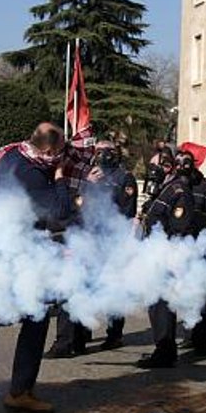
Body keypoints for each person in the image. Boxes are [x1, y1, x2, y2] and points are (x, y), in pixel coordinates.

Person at [0, 122, 74, 413]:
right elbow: (59, 213)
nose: (60, 157)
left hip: (11, 254)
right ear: (47, 150)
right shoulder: (31, 174)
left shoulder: (13, 154)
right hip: (6, 258)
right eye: (58, 152)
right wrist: (59, 178)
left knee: (38, 314)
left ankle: (21, 390)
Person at [137, 142, 206, 368]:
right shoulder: (166, 188)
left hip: (195, 249)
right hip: (173, 251)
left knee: (197, 297)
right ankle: (176, 343)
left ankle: (200, 341)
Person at [45, 142, 138, 359]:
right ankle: (78, 337)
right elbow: (80, 205)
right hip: (87, 239)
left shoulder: (125, 178)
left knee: (112, 287)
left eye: (107, 150)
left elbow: (126, 212)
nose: (103, 155)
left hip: (110, 241)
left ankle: (114, 334)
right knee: (80, 286)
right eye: (99, 151)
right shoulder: (91, 176)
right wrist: (89, 184)